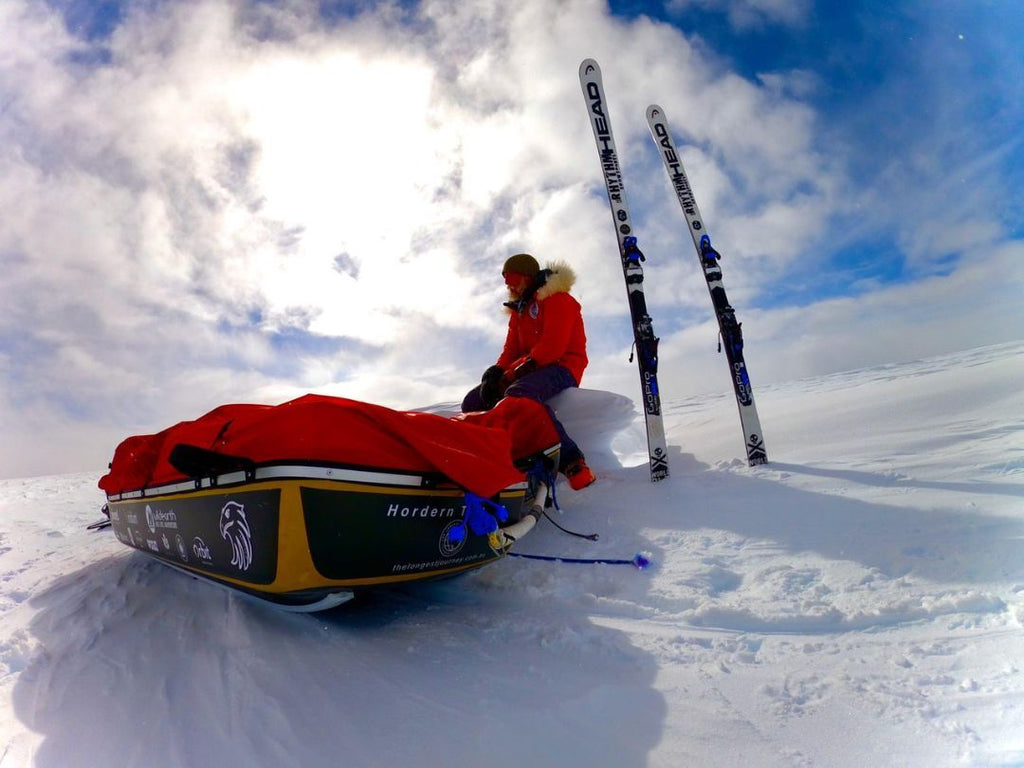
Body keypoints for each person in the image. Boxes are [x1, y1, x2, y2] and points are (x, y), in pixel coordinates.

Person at [461, 253, 596, 490]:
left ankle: (573, 462)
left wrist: (511, 375)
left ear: (528, 277)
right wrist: (494, 374)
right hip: (529, 370)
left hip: (562, 367)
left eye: (514, 279)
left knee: (521, 394)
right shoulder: (519, 311)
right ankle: (493, 458)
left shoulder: (557, 299)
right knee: (474, 400)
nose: (509, 285)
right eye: (507, 281)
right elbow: (510, 351)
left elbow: (552, 349)